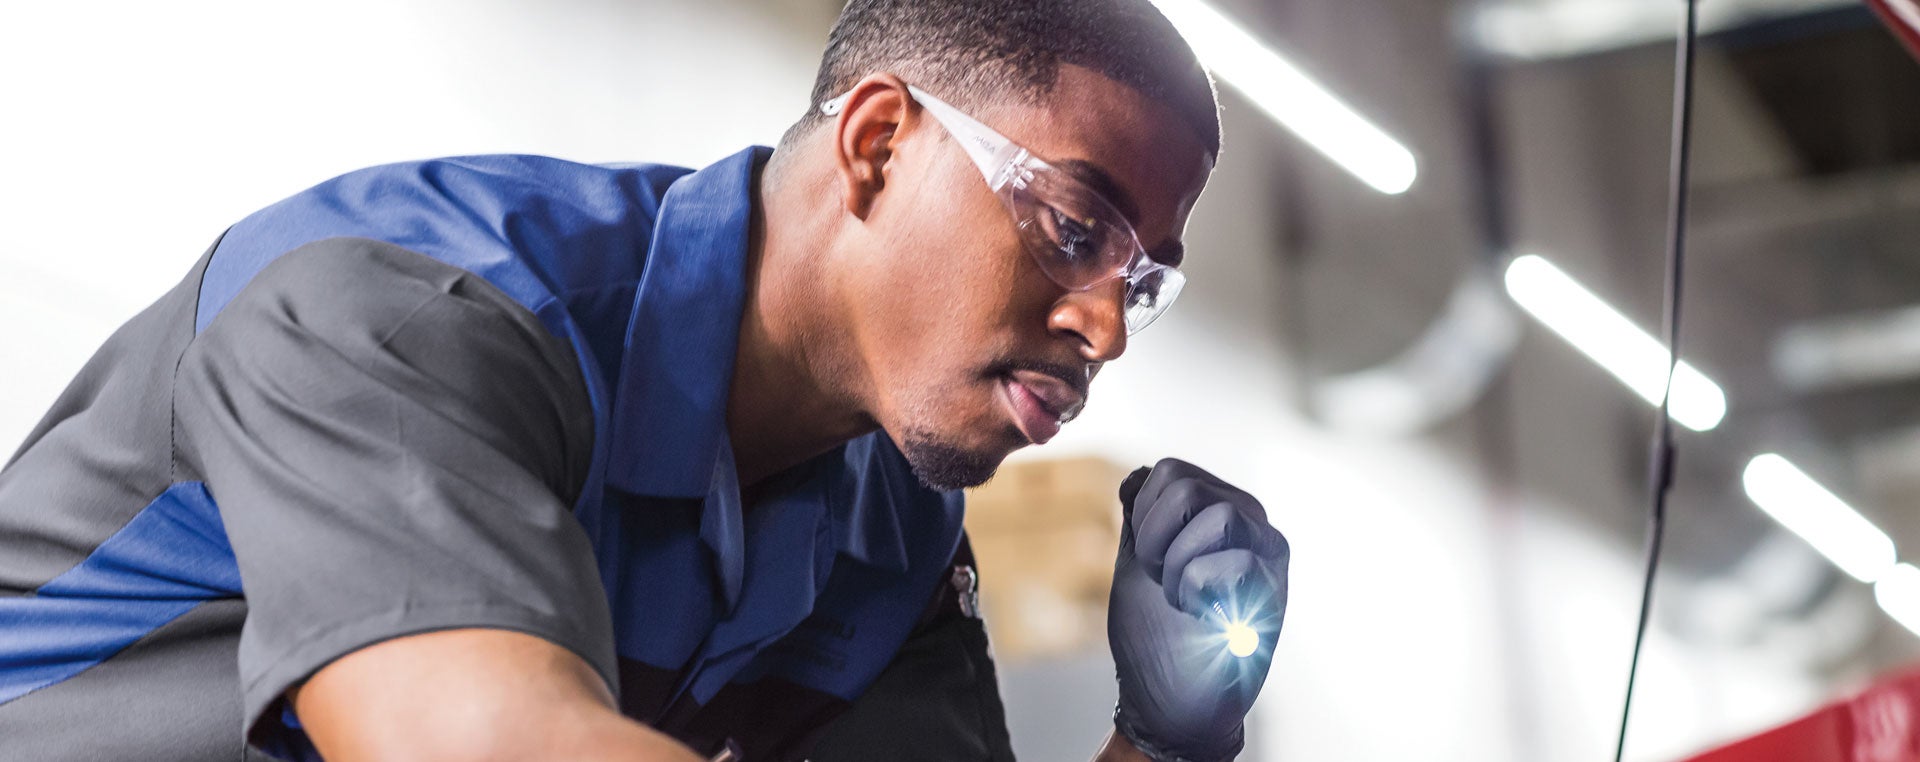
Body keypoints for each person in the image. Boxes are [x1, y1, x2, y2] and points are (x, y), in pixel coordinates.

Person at [0, 0, 1289, 759]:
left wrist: (1166, 744)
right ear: (881, 143)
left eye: (1145, 279)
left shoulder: (886, 514)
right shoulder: (410, 314)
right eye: (1076, 228)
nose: (1106, 329)